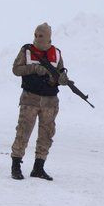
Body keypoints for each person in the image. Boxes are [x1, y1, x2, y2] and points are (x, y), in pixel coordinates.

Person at [10, 23, 70, 181]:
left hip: (50, 101)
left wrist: (63, 78)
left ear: (49, 37)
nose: (37, 38)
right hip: (30, 98)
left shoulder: (56, 53)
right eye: (36, 35)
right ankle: (16, 166)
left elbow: (61, 71)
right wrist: (34, 69)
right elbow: (16, 69)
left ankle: (39, 168)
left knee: (47, 134)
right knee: (23, 132)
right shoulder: (27, 50)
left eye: (41, 36)